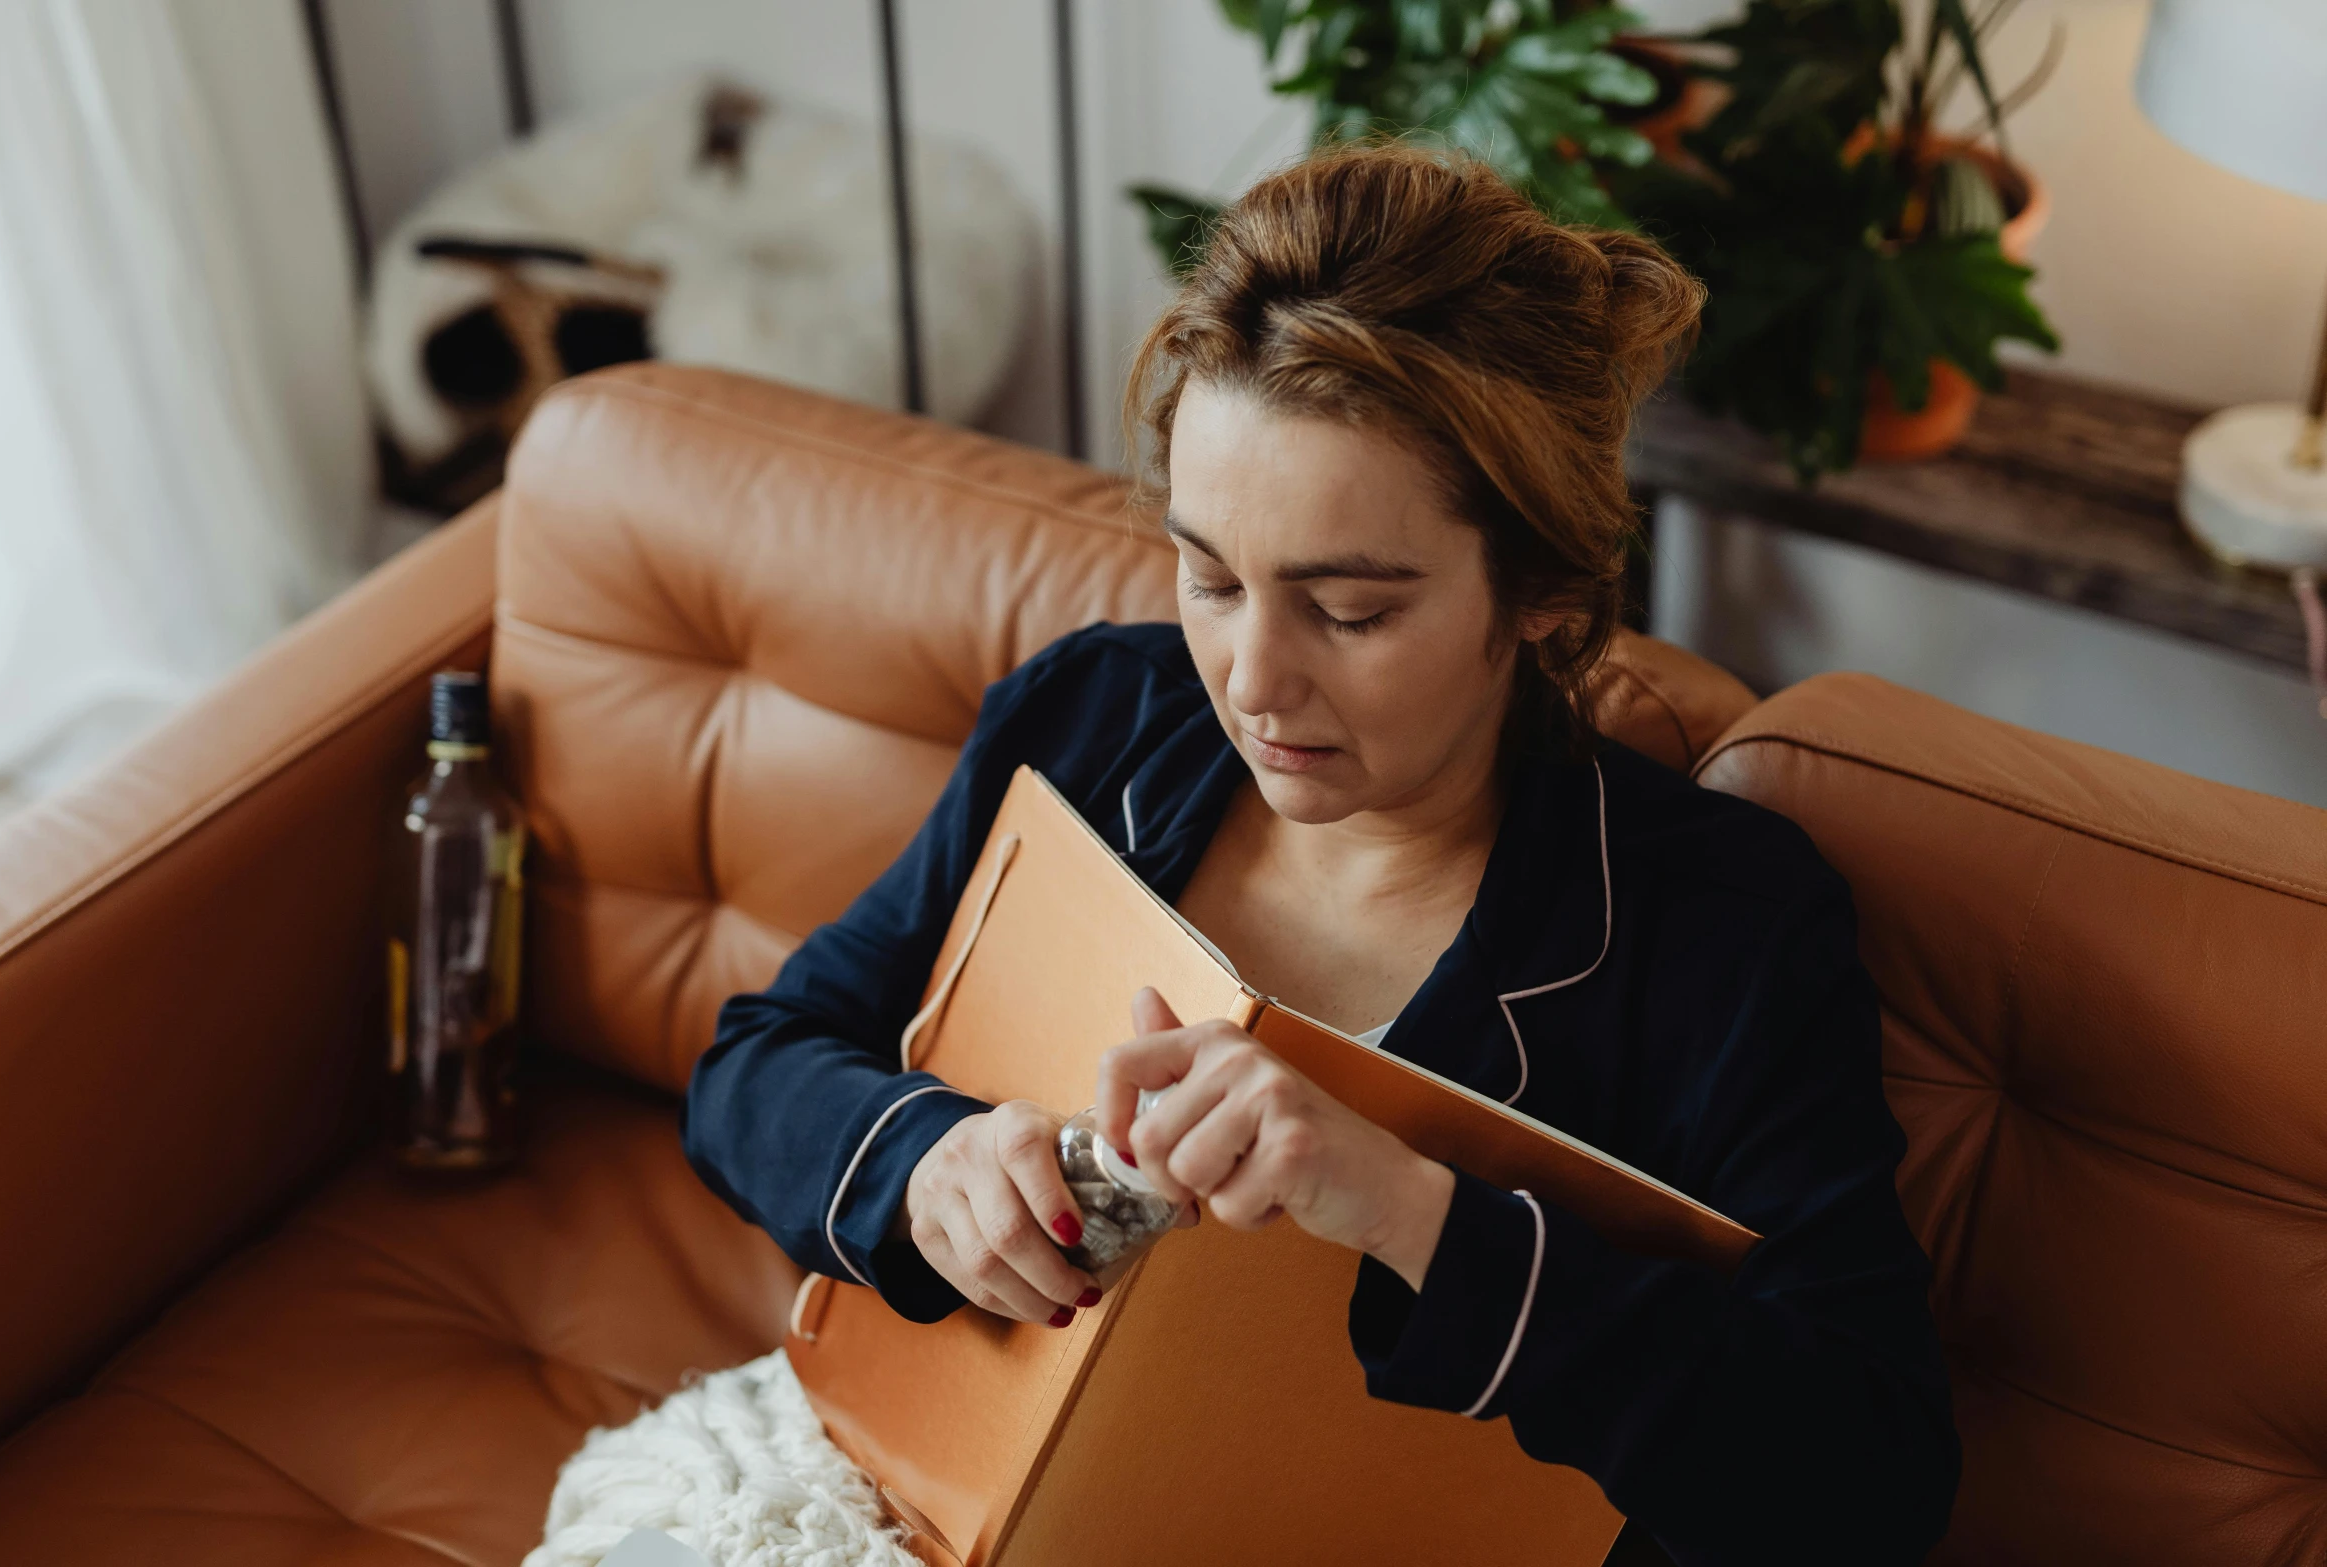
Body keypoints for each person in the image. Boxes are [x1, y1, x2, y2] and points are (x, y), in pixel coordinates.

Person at [683, 145, 1959, 1564]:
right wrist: (924, 1163)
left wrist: (1415, 1211)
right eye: (1211, 576)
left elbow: (1868, 1481)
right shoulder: (1096, 716)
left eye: (1347, 610)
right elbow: (758, 1062)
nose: (1251, 681)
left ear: (1539, 589)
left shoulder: (1718, 929)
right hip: (893, 1498)